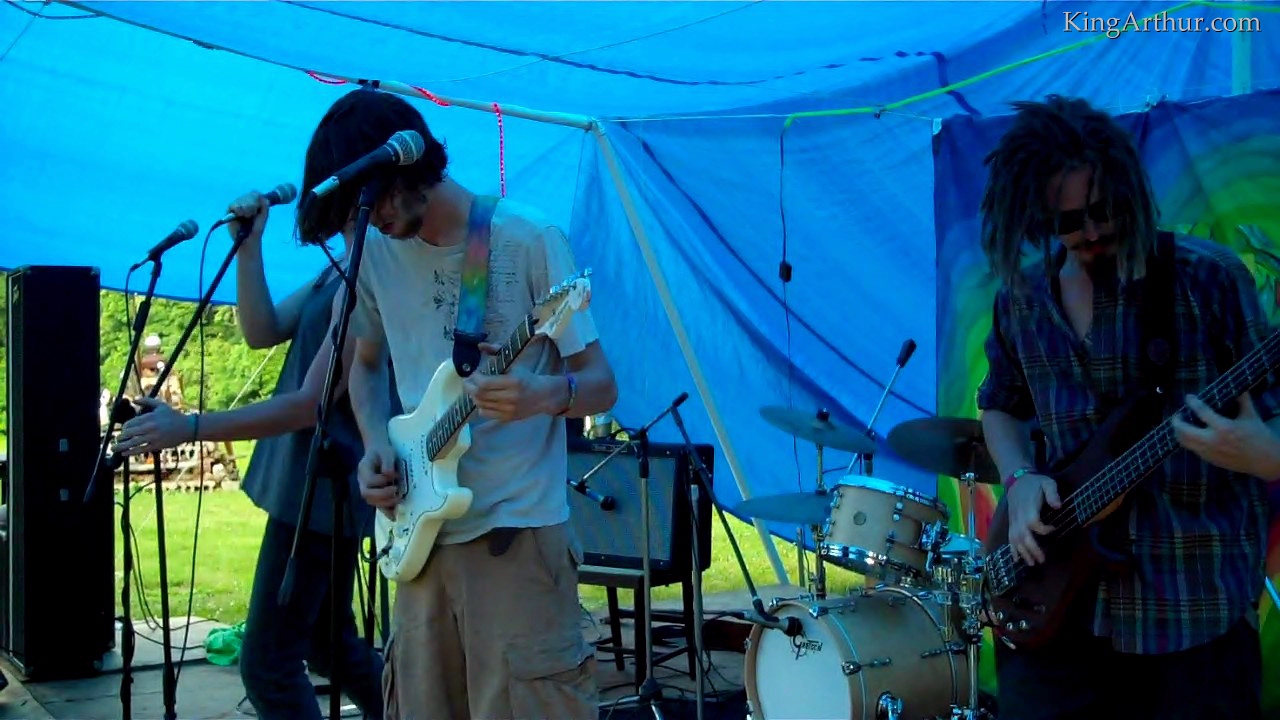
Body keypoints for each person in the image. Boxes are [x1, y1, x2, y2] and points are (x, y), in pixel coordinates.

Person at [295, 87, 618, 720]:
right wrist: (375, 445)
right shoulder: (374, 252)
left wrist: (542, 395)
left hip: (514, 537)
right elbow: (365, 364)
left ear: (407, 167)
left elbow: (602, 384)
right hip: (417, 538)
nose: (371, 224)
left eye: (370, 206)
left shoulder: (527, 239)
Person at [975, 94, 1280, 720]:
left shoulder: (1208, 281)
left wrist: (1266, 455)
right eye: (1069, 221)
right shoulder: (1022, 301)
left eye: (1104, 210)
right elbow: (998, 404)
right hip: (1056, 617)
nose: (1091, 232)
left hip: (1191, 614)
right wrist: (1020, 478)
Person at [113, 190, 384, 720]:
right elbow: (262, 330)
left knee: (268, 665)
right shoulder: (338, 268)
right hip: (305, 488)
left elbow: (309, 404)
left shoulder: (373, 270)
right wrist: (249, 248)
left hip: (322, 492)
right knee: (328, 643)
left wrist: (189, 427)